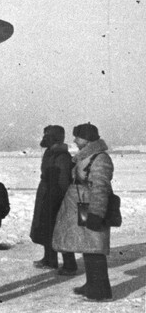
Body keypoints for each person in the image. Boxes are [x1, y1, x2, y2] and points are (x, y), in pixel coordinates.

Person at [52, 123, 114, 302]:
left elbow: (101, 188)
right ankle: (91, 285)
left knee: (95, 249)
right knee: (88, 247)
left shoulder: (100, 158)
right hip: (82, 206)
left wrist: (97, 213)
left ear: (87, 139)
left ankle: (100, 291)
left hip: (91, 207)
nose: (74, 140)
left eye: (77, 137)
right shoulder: (86, 157)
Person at [29, 125, 77, 274]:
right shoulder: (50, 153)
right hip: (47, 194)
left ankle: (70, 265)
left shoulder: (62, 156)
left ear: (55, 138)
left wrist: (59, 200)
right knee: (46, 228)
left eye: (47, 135)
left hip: (55, 197)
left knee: (60, 231)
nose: (44, 138)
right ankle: (50, 259)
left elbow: (63, 182)